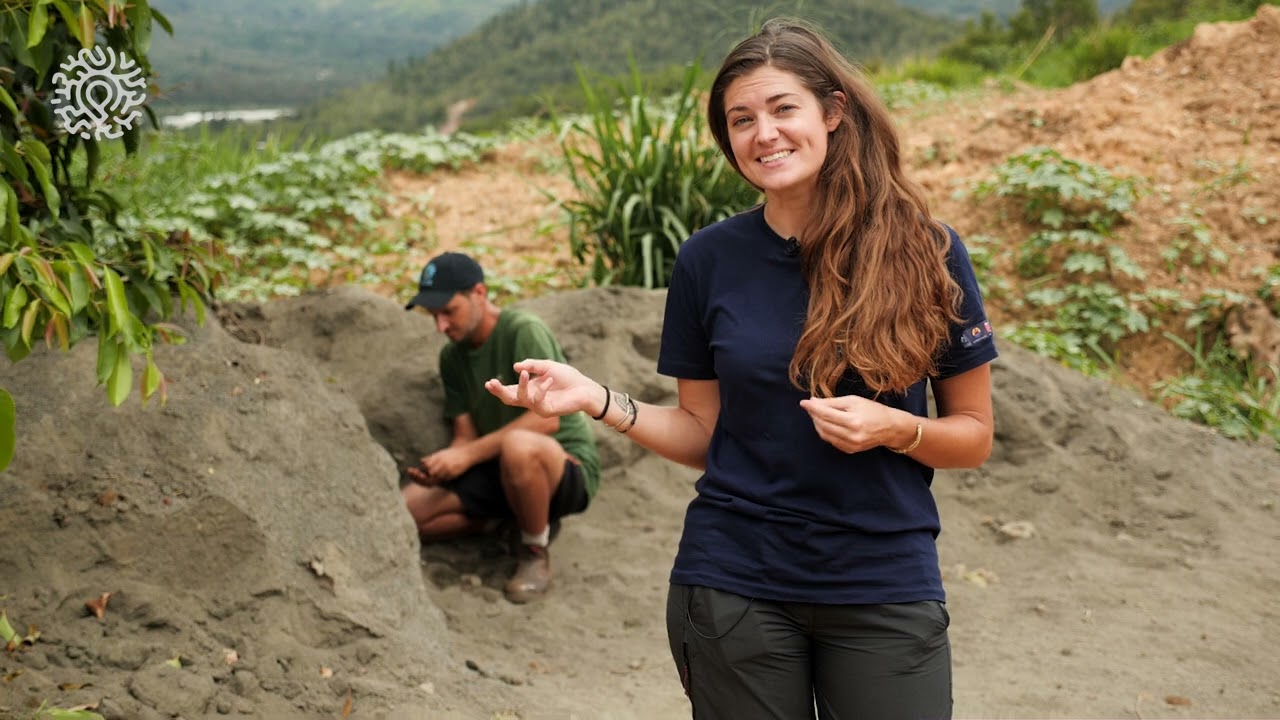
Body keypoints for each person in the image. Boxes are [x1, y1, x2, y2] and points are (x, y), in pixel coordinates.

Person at [486, 17, 998, 719]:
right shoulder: (707, 261)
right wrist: (596, 398)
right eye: (741, 119)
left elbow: (973, 435)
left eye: (784, 108)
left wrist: (895, 429)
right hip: (733, 580)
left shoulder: (927, 251)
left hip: (884, 582)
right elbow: (704, 434)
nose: (765, 134)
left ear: (833, 112)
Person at [402, 251, 600, 604]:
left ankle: (534, 551)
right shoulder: (452, 357)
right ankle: (505, 521)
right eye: (434, 316)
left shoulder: (523, 331)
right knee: (406, 517)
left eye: (449, 312)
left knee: (520, 447)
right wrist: (447, 462)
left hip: (561, 465)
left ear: (479, 293)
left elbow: (546, 418)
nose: (441, 327)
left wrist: (466, 456)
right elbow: (466, 435)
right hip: (497, 466)